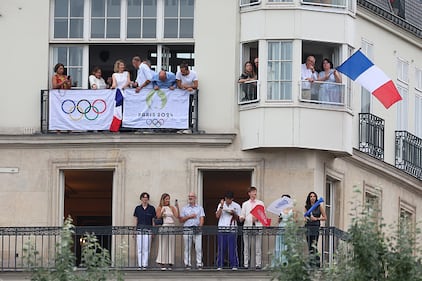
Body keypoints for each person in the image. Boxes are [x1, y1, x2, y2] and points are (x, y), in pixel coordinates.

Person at [239, 186, 265, 270]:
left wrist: (258, 218)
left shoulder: (260, 203)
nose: (255, 193)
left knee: (258, 247)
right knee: (246, 246)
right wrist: (241, 218)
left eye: (255, 192)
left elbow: (263, 215)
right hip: (247, 226)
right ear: (249, 193)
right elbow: (242, 214)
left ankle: (258, 264)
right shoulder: (245, 204)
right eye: (253, 192)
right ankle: (246, 264)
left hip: (257, 226)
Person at [178, 192, 205, 269]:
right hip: (187, 229)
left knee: (198, 247)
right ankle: (187, 264)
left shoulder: (200, 208)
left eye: (192, 196)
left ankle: (199, 263)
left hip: (197, 229)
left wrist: (200, 227)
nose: (190, 198)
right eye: (189, 196)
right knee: (187, 247)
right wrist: (189, 216)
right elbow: (181, 220)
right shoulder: (184, 208)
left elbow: (202, 219)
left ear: (195, 198)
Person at [215, 191, 241, 270]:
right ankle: (220, 265)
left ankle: (234, 265)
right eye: (226, 199)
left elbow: (239, 219)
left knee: (232, 248)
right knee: (221, 248)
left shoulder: (237, 206)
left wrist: (234, 213)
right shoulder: (221, 205)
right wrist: (222, 206)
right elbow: (217, 216)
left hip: (232, 229)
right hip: (222, 228)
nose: (228, 201)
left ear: (232, 199)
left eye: (229, 199)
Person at [133, 192, 156, 270]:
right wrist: (134, 231)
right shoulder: (137, 208)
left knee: (146, 248)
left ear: (148, 199)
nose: (145, 199)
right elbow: (136, 220)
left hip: (148, 230)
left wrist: (153, 231)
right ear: (141, 199)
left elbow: (153, 220)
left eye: (146, 197)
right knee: (140, 248)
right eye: (143, 197)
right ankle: (140, 265)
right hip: (139, 229)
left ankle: (145, 265)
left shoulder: (152, 208)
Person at [155, 193, 178, 270]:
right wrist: (162, 212)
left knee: (171, 244)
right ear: (163, 199)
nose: (168, 200)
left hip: (171, 226)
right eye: (166, 199)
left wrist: (177, 207)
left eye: (169, 199)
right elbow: (158, 217)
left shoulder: (171, 207)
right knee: (163, 244)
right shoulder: (159, 207)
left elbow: (177, 216)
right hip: (164, 225)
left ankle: (170, 262)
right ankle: (162, 263)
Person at [304, 191, 327, 268]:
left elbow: (325, 217)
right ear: (309, 198)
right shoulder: (306, 206)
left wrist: (316, 218)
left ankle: (317, 263)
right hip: (308, 226)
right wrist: (307, 218)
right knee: (309, 245)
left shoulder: (319, 206)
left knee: (314, 245)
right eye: (311, 196)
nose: (312, 198)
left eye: (314, 196)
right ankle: (311, 263)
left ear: (316, 198)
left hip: (315, 227)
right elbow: (304, 217)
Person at [273, 194, 295, 267]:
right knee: (280, 245)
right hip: (281, 227)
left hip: (289, 227)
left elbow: (295, 220)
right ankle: (280, 262)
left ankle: (288, 263)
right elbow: (278, 220)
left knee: (288, 245)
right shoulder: (280, 210)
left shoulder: (292, 209)